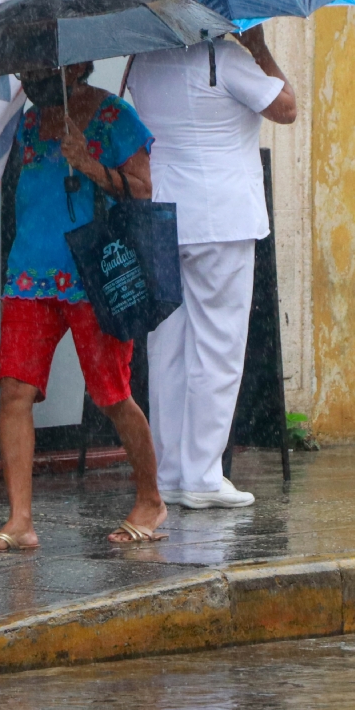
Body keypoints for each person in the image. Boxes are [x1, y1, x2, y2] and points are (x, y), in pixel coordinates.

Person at [0, 62, 167, 551]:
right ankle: (21, 521)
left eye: (42, 65)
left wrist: (91, 166)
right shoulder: (28, 121)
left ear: (76, 64)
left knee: (112, 395)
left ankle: (151, 499)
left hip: (93, 276)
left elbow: (143, 190)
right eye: (26, 67)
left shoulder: (115, 116)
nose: (29, 75)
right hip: (28, 274)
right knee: (14, 391)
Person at [127, 25, 296, 509]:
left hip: (164, 214)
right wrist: (260, 48)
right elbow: (286, 108)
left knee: (169, 349)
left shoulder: (143, 57)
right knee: (217, 346)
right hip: (221, 216)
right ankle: (203, 474)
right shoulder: (225, 58)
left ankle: (173, 472)